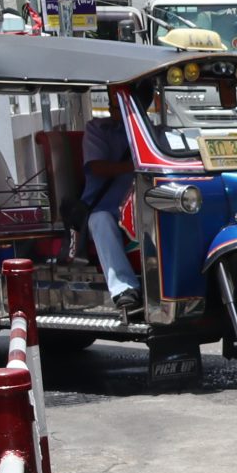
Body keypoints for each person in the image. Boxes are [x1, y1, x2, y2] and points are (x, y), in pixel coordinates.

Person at [81, 92, 142, 314]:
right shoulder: (98, 129)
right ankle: (124, 289)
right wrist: (138, 166)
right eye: (113, 105)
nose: (111, 109)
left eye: (119, 105)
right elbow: (97, 166)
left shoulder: (155, 132)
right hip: (106, 208)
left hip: (143, 206)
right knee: (100, 220)